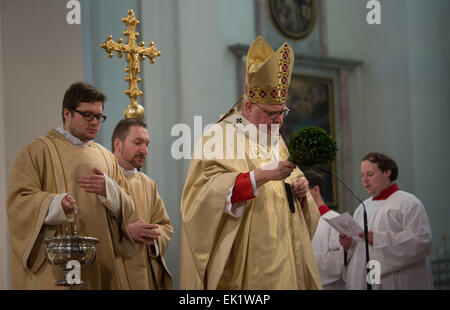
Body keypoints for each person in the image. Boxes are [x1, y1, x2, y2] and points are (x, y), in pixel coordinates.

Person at [179, 36, 322, 289]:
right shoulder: (219, 135)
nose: (278, 121)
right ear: (247, 107)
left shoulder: (277, 142)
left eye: (282, 112)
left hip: (288, 255)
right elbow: (201, 196)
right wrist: (261, 175)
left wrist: (301, 192)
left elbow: (294, 183)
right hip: (249, 262)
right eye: (271, 113)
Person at [6, 81, 136, 289]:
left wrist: (110, 191)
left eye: (99, 116)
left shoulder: (107, 157)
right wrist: (54, 205)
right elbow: (18, 202)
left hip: (99, 264)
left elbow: (129, 206)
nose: (95, 122)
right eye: (87, 115)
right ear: (67, 113)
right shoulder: (37, 150)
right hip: (56, 264)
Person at [339, 152, 433, 289]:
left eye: (370, 174)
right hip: (370, 275)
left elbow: (422, 241)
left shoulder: (408, 203)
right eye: (362, 175)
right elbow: (361, 250)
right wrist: (350, 244)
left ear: (387, 172)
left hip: (397, 278)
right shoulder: (362, 208)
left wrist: (378, 239)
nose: (365, 180)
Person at [111, 118, 173, 289]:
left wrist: (150, 234)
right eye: (138, 143)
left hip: (145, 275)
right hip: (114, 273)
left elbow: (165, 227)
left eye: (147, 144)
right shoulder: (103, 180)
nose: (144, 150)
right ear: (118, 144)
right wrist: (126, 232)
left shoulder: (148, 184)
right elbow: (91, 226)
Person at [304, 170, 345, 290]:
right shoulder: (298, 224)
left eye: (303, 189)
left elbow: (338, 263)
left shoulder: (337, 220)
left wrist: (301, 259)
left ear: (315, 190)